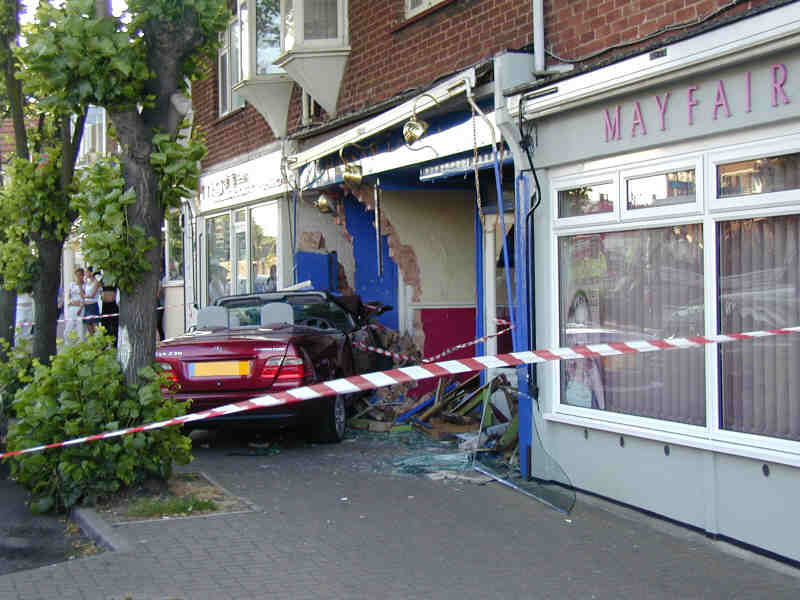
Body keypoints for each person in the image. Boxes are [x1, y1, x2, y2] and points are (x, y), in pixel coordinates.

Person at [64, 268, 85, 342]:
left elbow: (84, 297)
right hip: (72, 307)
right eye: (77, 275)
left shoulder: (84, 285)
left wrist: (81, 307)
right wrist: (69, 302)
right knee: (69, 327)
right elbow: (69, 295)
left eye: (80, 275)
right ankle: (68, 343)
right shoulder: (71, 284)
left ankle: (81, 344)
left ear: (83, 276)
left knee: (80, 328)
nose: (78, 277)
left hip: (80, 308)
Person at [83, 266, 101, 336]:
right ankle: (92, 342)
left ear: (91, 273)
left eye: (87, 272)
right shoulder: (87, 282)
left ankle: (98, 343)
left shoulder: (96, 282)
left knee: (95, 326)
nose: (86, 273)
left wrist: (84, 296)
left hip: (93, 305)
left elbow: (92, 295)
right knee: (88, 326)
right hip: (87, 306)